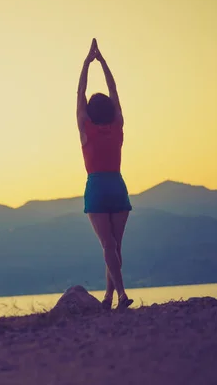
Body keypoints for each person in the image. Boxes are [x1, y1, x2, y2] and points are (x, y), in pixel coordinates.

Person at [76, 38, 133, 310]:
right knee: (115, 247)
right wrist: (104, 63)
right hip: (117, 185)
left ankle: (120, 295)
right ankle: (110, 298)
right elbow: (114, 90)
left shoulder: (87, 130)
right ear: (110, 109)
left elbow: (79, 95)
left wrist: (87, 62)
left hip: (97, 188)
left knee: (108, 247)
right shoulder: (117, 125)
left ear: (89, 111)